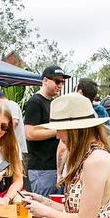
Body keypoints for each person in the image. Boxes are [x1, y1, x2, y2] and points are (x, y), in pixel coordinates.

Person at [24, 65, 69, 195]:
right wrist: (59, 131)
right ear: (45, 80)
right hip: (42, 168)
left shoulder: (53, 102)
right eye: (57, 81)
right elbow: (30, 133)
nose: (60, 85)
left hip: (54, 167)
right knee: (44, 209)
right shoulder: (35, 102)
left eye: (63, 82)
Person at [0, 91, 27, 156]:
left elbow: (14, 122)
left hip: (17, 147)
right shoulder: (10, 105)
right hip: (13, 146)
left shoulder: (11, 104)